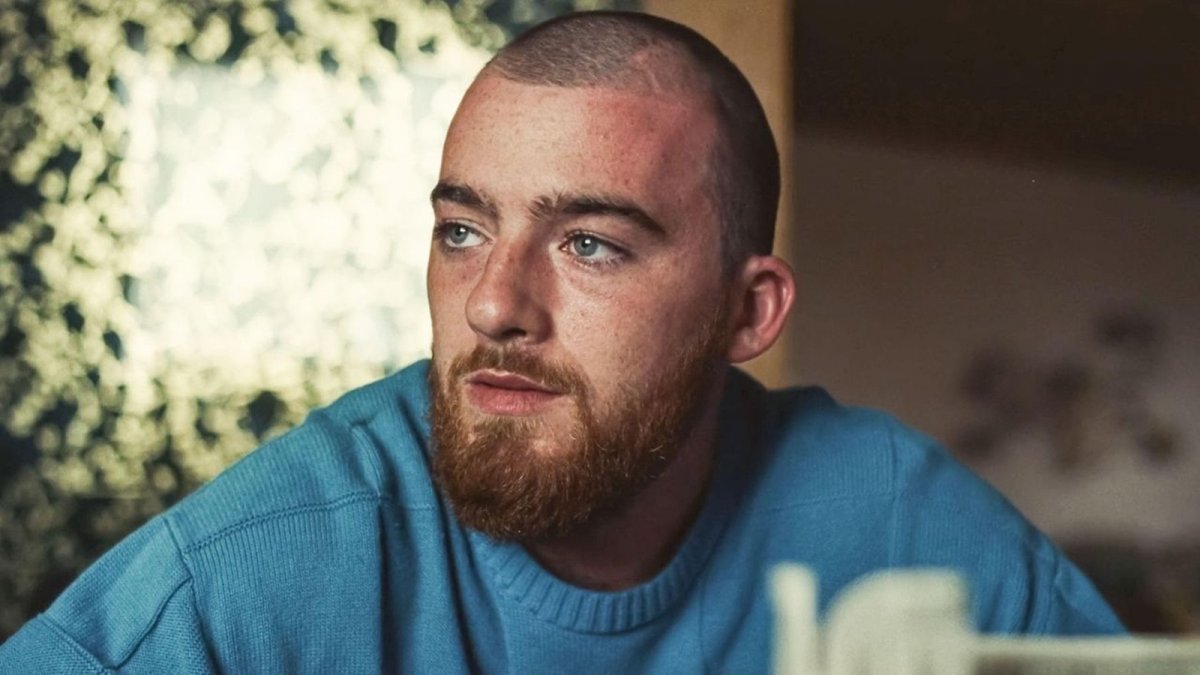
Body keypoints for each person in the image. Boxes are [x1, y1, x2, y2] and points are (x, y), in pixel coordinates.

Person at [0, 10, 1123, 674]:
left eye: (589, 244)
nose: (493, 305)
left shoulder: (899, 525)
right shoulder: (261, 566)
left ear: (750, 313)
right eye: (462, 231)